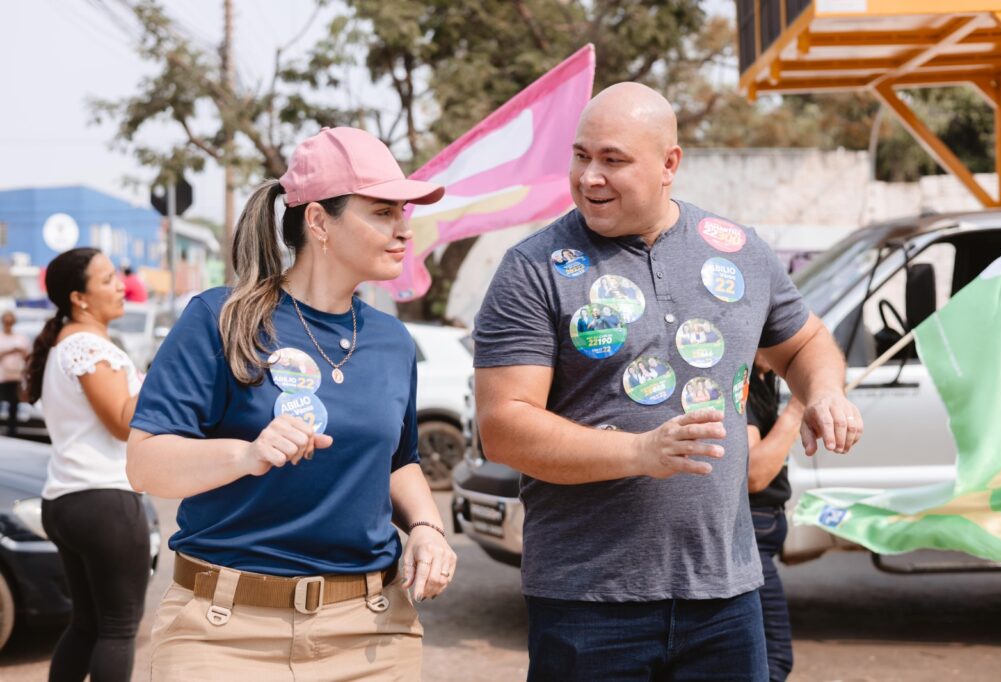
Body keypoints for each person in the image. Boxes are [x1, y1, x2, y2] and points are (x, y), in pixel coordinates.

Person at [473, 82, 862, 681]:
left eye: (613, 160)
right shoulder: (533, 268)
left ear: (669, 165)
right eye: (581, 156)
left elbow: (806, 341)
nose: (589, 177)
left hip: (726, 595)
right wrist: (639, 451)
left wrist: (826, 390)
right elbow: (503, 426)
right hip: (587, 602)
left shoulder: (737, 251)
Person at [126, 126, 458, 680]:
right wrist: (247, 455)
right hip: (222, 631)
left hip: (370, 631)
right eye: (382, 212)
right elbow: (144, 463)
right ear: (319, 221)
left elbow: (399, 462)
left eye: (403, 213)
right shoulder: (220, 318)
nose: (404, 230)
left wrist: (427, 527)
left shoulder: (392, 341)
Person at [23, 247, 150, 682]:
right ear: (79, 298)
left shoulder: (66, 343)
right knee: (118, 630)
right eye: (108, 279)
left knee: (87, 625)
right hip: (103, 500)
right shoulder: (86, 345)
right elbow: (122, 422)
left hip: (66, 499)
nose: (121, 286)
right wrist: (163, 377)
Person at [747, 352, 805, 682]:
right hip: (751, 534)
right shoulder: (742, 384)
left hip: (760, 531)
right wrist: (799, 407)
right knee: (773, 658)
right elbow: (754, 473)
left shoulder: (764, 377)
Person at [0, 310, 30, 436]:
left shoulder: (20, 338)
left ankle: (12, 429)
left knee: (13, 403)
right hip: (2, 375)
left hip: (15, 375)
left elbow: (28, 355)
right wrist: (11, 351)